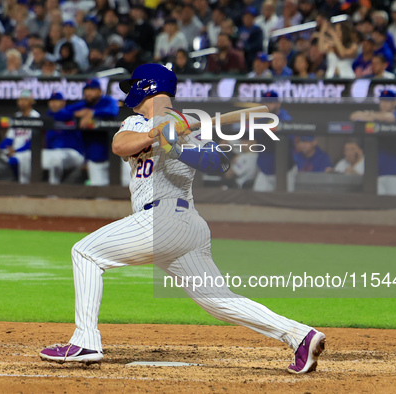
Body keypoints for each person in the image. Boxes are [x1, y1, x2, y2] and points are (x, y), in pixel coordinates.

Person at [39, 63, 326, 374]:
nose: (129, 93)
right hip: (174, 228)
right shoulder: (136, 122)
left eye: (133, 86)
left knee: (85, 252)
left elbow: (219, 162)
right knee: (217, 300)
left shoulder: (189, 125)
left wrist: (177, 149)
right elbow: (119, 145)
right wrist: (156, 133)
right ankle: (300, 335)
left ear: (146, 87)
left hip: (168, 221)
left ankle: (86, 341)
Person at [350, 90, 396, 196]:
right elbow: (354, 116)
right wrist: (371, 116)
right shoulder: (376, 117)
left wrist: (369, 115)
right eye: (382, 100)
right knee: (380, 208)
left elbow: (389, 117)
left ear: (395, 102)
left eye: (388, 101)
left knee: (395, 208)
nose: (384, 103)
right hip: (378, 171)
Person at [53, 79, 119, 186]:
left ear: (99, 91)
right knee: (99, 193)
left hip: (116, 156)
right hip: (95, 159)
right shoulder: (82, 106)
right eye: (86, 90)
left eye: (92, 89)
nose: (88, 93)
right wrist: (77, 114)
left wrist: (93, 113)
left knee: (126, 188)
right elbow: (58, 115)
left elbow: (113, 111)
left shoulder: (107, 101)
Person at [15, 92, 86, 184]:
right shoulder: (47, 117)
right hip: (53, 153)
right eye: (51, 101)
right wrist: (17, 150)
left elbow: (63, 114)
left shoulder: (70, 114)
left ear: (63, 103)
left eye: (57, 101)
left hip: (74, 154)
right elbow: (35, 139)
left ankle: (53, 190)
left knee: (55, 157)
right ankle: (24, 189)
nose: (53, 103)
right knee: (25, 157)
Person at [0, 89, 40, 182]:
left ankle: (17, 184)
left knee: (14, 160)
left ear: (31, 102)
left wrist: (16, 151)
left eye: (25, 100)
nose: (21, 102)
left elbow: (34, 142)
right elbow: (9, 138)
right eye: (20, 100)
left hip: (27, 152)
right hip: (12, 151)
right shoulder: (16, 115)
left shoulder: (36, 116)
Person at [254, 90, 297, 192]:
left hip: (285, 172)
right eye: (265, 102)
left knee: (285, 202)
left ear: (278, 104)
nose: (267, 105)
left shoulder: (286, 118)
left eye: (270, 102)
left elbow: (290, 141)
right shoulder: (258, 118)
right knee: (258, 200)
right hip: (265, 170)